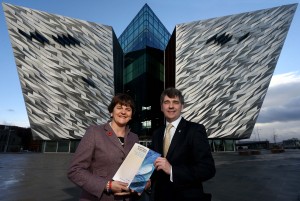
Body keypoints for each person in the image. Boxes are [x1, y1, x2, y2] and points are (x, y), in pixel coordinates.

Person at [68, 93, 139, 201]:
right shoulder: (95, 132)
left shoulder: (134, 138)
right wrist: (107, 185)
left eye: (128, 109)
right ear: (111, 112)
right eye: (119, 108)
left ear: (131, 115)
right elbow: (75, 170)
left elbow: (135, 169)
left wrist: (143, 182)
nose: (123, 112)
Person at [151, 87, 216, 201]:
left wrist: (172, 170)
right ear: (162, 107)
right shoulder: (157, 133)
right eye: (167, 102)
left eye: (175, 102)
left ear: (182, 106)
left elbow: (208, 169)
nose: (171, 106)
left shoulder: (195, 130)